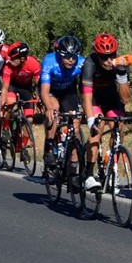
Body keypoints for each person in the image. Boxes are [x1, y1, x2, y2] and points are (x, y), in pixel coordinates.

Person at [81, 32, 132, 191]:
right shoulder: (89, 63)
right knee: (97, 128)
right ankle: (89, 174)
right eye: (104, 57)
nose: (108, 60)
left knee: (119, 126)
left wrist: (122, 75)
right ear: (97, 55)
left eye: (111, 55)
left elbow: (125, 99)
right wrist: (91, 120)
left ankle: (112, 166)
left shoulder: (119, 63)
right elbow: (86, 96)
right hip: (93, 96)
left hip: (110, 96)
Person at [39, 35, 85, 167]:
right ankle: (49, 146)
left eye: (74, 56)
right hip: (50, 89)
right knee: (54, 110)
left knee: (75, 126)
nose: (71, 60)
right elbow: (44, 91)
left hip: (67, 90)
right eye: (67, 56)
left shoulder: (81, 62)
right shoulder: (49, 61)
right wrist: (48, 107)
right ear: (59, 55)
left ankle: (74, 164)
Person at [0, 42, 41, 134]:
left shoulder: (33, 63)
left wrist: (39, 99)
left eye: (13, 58)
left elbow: (40, 84)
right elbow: (5, 88)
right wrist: (2, 108)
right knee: (10, 102)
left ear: (22, 58)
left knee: (29, 119)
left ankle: (25, 143)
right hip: (13, 86)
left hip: (26, 87)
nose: (10, 60)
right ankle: (5, 127)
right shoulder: (8, 67)